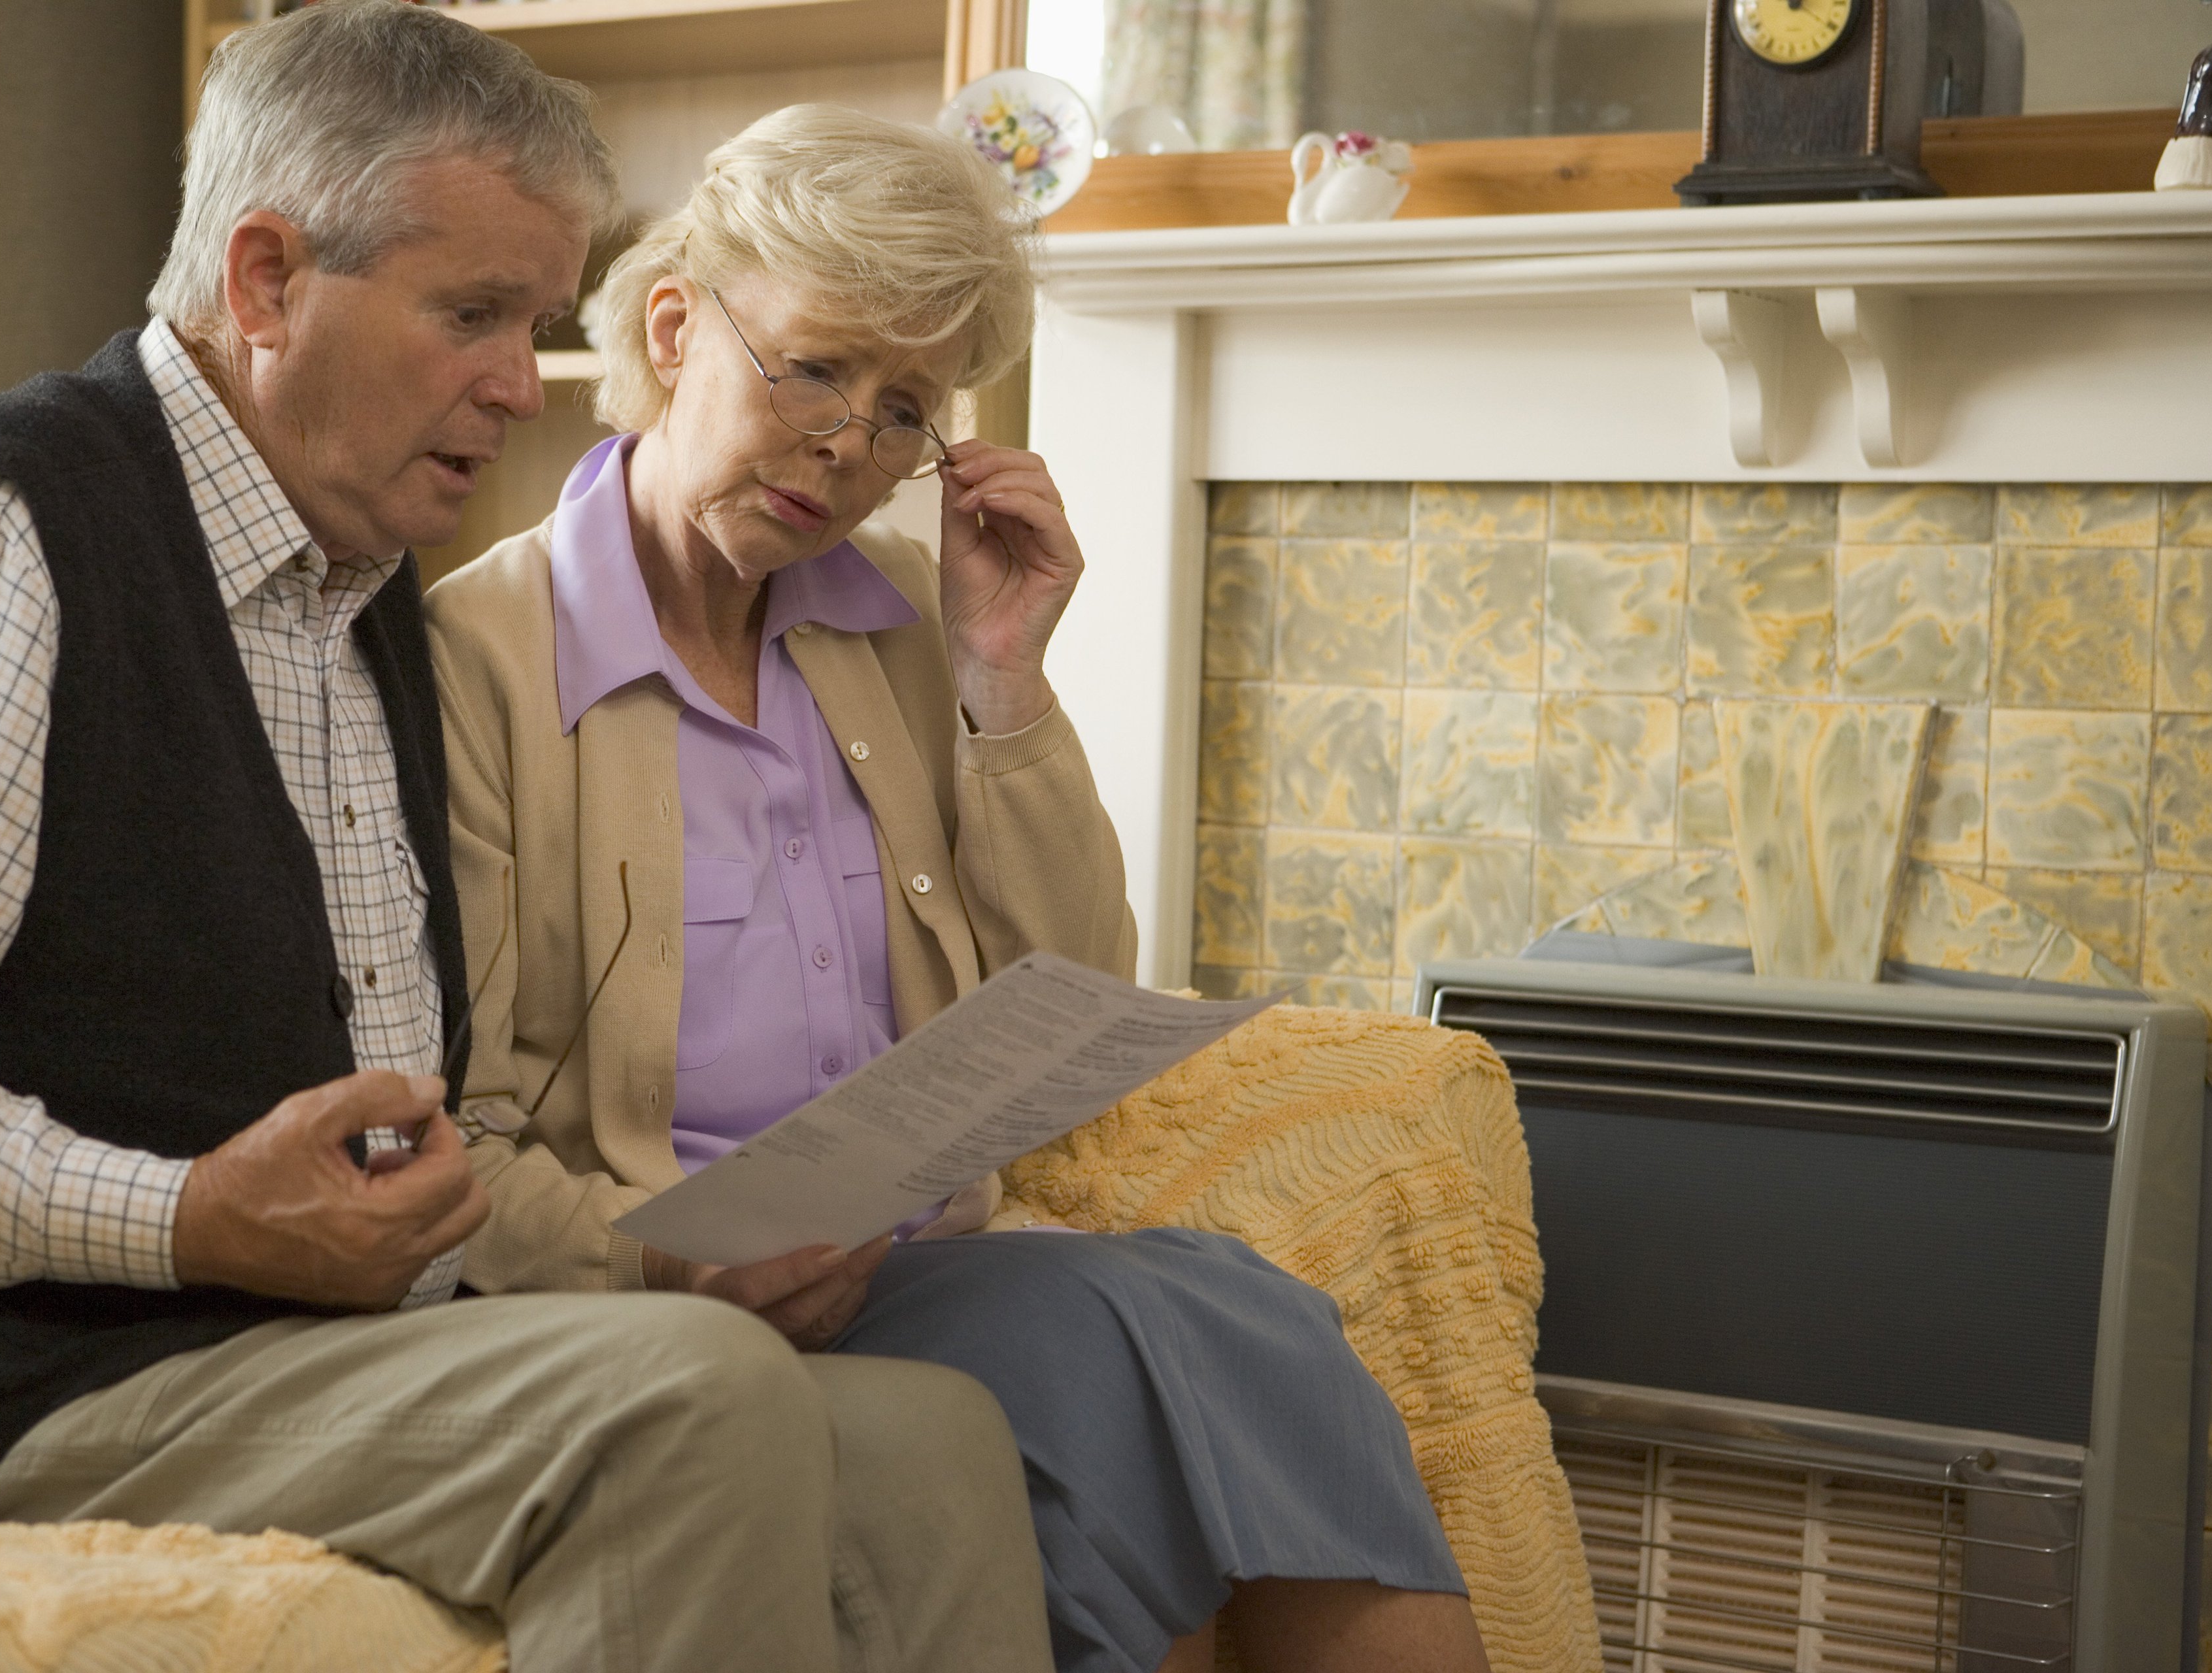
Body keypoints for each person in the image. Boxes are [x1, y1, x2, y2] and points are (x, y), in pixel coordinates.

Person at [0, 10, 1054, 1672]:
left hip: (283, 1333)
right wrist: (186, 1212)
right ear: (267, 280)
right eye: (473, 314)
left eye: (537, 321)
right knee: (686, 1398)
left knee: (930, 1443)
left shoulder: (354, 601)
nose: (522, 379)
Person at [424, 105, 1494, 1673]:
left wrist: (1006, 679)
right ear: (674, 327)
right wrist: (665, 1252)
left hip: (925, 1253)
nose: (854, 444)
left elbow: (1068, 985)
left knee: (1240, 1307)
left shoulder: (913, 621)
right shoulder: (478, 663)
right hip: (669, 1290)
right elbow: (454, 1135)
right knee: (1104, 1336)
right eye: (816, 366)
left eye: (907, 404)